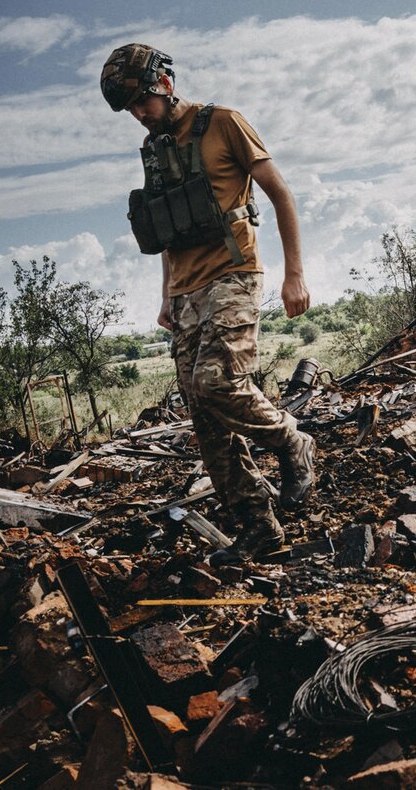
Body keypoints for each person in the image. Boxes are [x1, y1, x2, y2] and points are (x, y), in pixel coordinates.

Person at [100, 43, 316, 564]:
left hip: (234, 274)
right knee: (204, 416)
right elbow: (166, 228)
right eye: (129, 110)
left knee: (216, 381)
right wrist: (165, 295)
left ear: (166, 86)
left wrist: (294, 274)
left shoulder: (224, 123)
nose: (138, 115)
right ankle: (258, 524)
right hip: (186, 291)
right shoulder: (155, 150)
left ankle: (292, 441)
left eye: (142, 103)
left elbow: (279, 192)